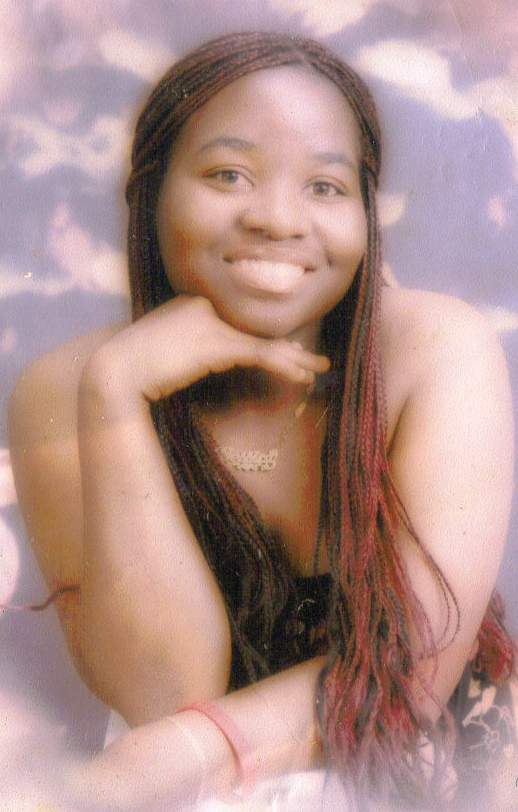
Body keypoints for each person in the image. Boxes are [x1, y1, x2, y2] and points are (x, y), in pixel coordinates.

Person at [7, 30, 517, 810]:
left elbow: (407, 677)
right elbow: (165, 692)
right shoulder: (67, 388)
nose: (279, 219)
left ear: (365, 214)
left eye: (325, 186)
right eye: (228, 174)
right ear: (152, 193)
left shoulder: (436, 350)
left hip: (426, 769)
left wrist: (170, 760)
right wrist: (117, 396)